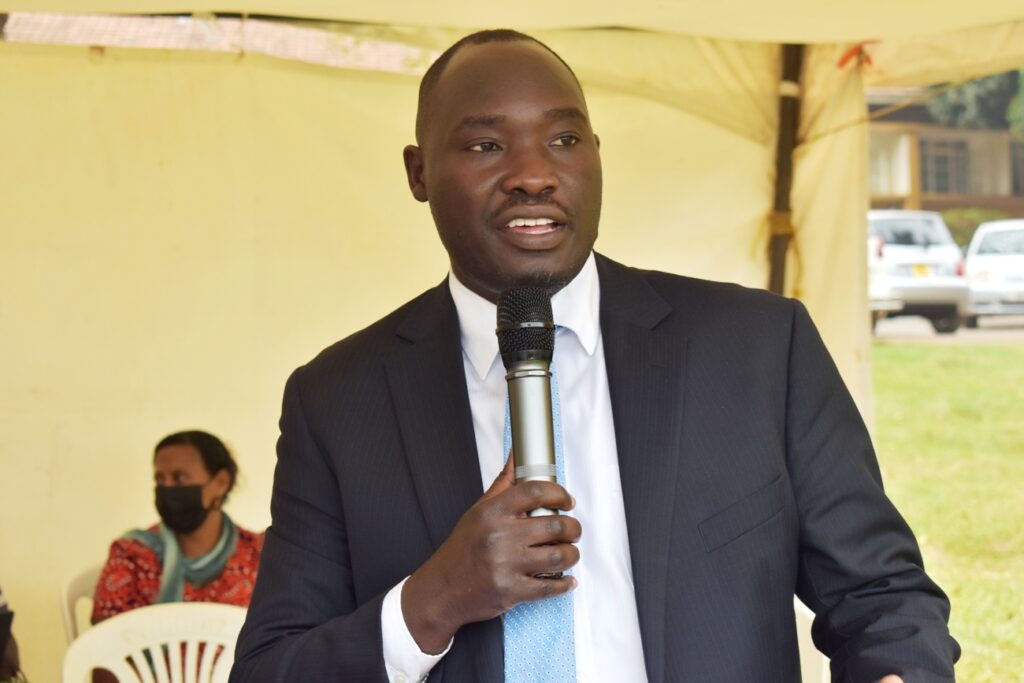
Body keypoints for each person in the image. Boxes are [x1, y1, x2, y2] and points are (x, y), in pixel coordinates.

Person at [232, 30, 959, 682]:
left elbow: (882, 599)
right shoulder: (338, 401)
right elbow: (269, 668)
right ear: (419, 173)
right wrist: (433, 600)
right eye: (486, 145)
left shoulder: (759, 349)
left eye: (563, 140)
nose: (533, 174)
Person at [92, 430, 264, 622]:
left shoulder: (259, 555)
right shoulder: (131, 555)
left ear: (220, 483)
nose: (168, 488)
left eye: (180, 478)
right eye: (160, 479)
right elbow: (105, 640)